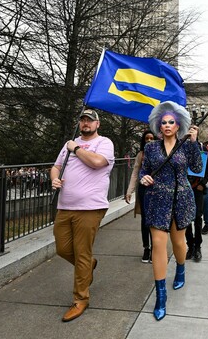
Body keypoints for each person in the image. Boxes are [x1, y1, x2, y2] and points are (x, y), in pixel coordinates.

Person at [50, 109, 115, 322]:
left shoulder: (104, 142)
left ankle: (80, 299)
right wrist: (55, 179)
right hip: (65, 205)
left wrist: (76, 148)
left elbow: (97, 162)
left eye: (90, 120)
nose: (85, 123)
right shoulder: (70, 143)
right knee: (62, 249)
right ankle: (88, 266)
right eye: (83, 120)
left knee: (82, 252)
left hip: (90, 207)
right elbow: (56, 166)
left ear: (98, 124)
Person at [139, 101, 202, 321]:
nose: (167, 125)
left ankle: (181, 268)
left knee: (178, 243)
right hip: (157, 199)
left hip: (182, 199)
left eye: (171, 122)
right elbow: (144, 170)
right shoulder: (150, 147)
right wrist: (143, 178)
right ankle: (161, 296)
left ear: (178, 126)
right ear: (159, 125)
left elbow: (197, 168)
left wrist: (195, 144)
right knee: (157, 244)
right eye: (163, 122)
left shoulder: (186, 146)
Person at [125, 129, 156, 263]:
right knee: (145, 221)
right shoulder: (140, 155)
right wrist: (129, 191)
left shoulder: (161, 153)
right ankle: (146, 248)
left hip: (158, 191)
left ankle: (156, 249)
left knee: (155, 221)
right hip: (144, 190)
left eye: (151, 138)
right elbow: (135, 172)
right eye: (146, 138)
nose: (149, 141)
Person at [185, 126, 208, 263]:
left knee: (197, 217)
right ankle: (190, 246)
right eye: (190, 129)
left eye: (194, 129)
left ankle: (198, 246)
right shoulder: (181, 147)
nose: (191, 131)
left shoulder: (202, 148)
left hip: (197, 188)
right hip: (184, 189)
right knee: (186, 219)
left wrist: (203, 184)